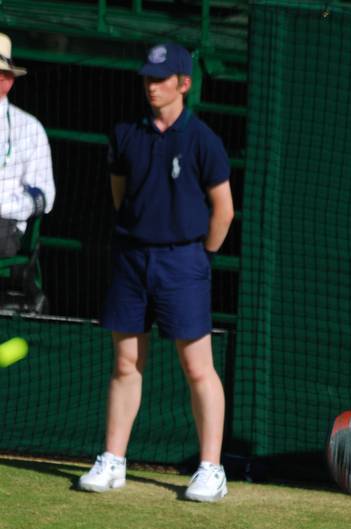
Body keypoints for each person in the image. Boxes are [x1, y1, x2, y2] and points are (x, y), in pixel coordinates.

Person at [78, 42, 234, 502]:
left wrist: (200, 257)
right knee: (125, 363)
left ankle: (211, 469)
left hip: (183, 263)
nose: (151, 86)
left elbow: (223, 211)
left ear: (183, 84)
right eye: (147, 78)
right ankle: (113, 461)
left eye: (161, 79)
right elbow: (120, 195)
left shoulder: (203, 140)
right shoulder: (126, 134)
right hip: (132, 261)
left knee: (197, 368)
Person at [0, 34, 55, 257]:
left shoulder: (29, 128)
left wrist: (5, 207)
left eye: (4, 72)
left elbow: (44, 196)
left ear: (10, 79)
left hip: (4, 224)